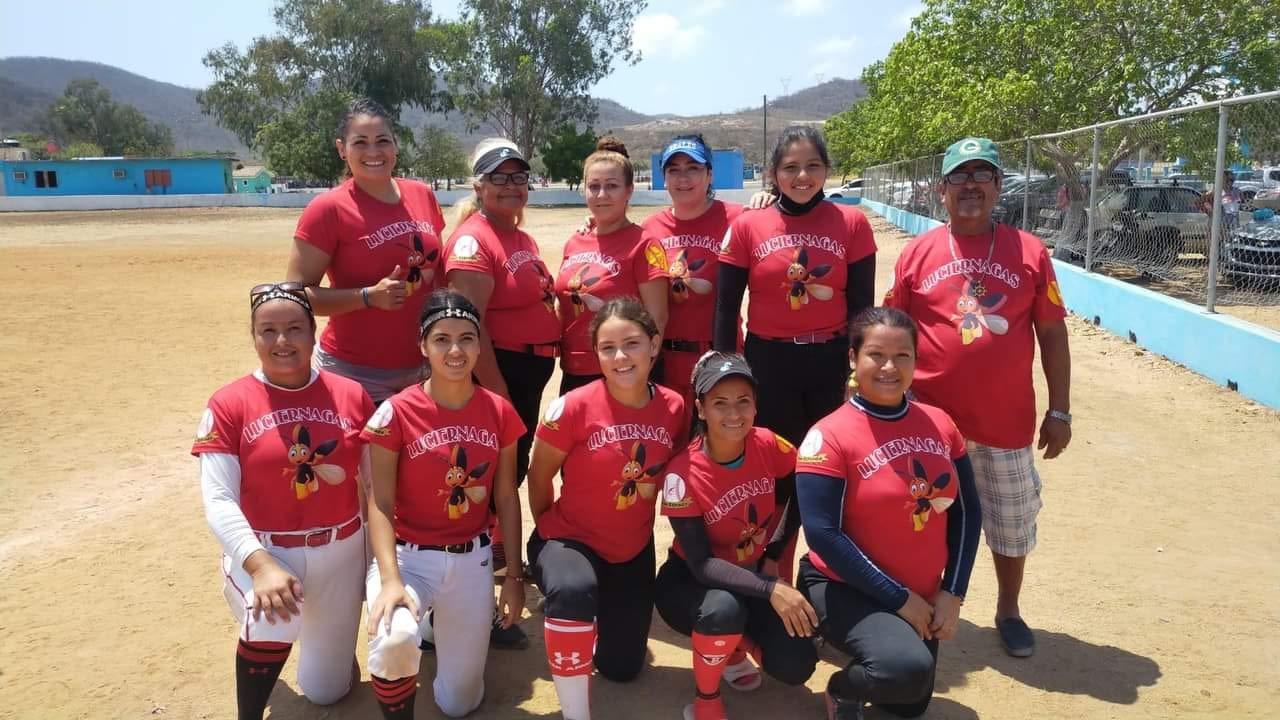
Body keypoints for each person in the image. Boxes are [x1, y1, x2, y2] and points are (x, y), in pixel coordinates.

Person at [884, 136, 1072, 658]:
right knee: (922, 518)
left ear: (997, 187)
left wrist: (1060, 410)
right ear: (942, 189)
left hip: (1004, 423)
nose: (971, 186)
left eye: (982, 175)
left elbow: (1053, 335)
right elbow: (891, 331)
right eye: (960, 177)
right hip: (927, 424)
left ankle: (1008, 609)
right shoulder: (917, 253)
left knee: (1011, 522)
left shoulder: (1030, 251)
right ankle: (917, 606)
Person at [194, 282, 373, 720]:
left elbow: (373, 488)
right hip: (266, 549)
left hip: (340, 550)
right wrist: (260, 565)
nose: (282, 341)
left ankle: (327, 642)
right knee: (274, 616)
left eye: (294, 329)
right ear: (253, 337)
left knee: (328, 692)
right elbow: (217, 498)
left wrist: (379, 562)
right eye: (267, 330)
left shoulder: (351, 395)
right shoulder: (229, 403)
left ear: (313, 334)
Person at [795, 307, 982, 719]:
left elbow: (968, 513)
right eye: (876, 354)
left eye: (903, 356)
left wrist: (953, 592)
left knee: (908, 701)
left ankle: (885, 655)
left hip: (922, 595)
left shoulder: (940, 424)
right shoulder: (827, 435)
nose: (889, 367)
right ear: (852, 358)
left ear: (917, 360)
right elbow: (823, 534)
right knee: (904, 669)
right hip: (843, 586)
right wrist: (900, 600)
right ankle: (841, 689)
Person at [359, 290, 526, 719]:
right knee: (396, 642)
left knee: (459, 703)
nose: (456, 350)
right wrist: (391, 579)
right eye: (442, 339)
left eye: (467, 338)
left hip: (472, 558)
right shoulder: (395, 413)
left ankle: (437, 624)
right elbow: (379, 501)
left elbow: (506, 496)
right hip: (408, 558)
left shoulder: (500, 411)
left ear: (479, 344)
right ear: (423, 346)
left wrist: (513, 577)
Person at [526, 297, 686, 720]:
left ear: (654, 345)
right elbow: (540, 477)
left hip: (631, 548)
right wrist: (550, 542)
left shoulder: (674, 406)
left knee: (622, 668)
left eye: (631, 343)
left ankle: (586, 623)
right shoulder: (572, 407)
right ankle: (576, 711)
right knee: (573, 589)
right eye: (607, 347)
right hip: (570, 539)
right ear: (595, 353)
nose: (620, 357)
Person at [655, 351, 817, 720]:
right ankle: (705, 699)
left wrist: (774, 551)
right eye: (720, 403)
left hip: (751, 575)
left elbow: (799, 491)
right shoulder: (683, 473)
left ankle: (735, 641)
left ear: (756, 406)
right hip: (691, 583)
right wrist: (772, 588)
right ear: (700, 409)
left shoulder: (769, 445)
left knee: (797, 664)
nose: (733, 414)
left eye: (743, 401)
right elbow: (701, 564)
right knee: (722, 610)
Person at [443, 138, 559, 643]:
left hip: (526, 377)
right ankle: (480, 611)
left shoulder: (519, 237)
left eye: (518, 177)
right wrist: (498, 397)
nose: (511, 186)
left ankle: (494, 581)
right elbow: (470, 330)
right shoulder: (475, 240)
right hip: (500, 378)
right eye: (499, 177)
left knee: (500, 485)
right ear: (479, 184)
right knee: (488, 488)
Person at [715, 125, 877, 449]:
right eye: (790, 167)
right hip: (768, 361)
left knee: (830, 454)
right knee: (779, 457)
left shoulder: (852, 223)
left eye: (813, 165)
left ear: (827, 170)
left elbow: (862, 307)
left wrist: (858, 366)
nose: (802, 175)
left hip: (831, 361)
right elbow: (726, 306)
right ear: (774, 174)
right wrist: (723, 366)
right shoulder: (748, 225)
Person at [286, 97, 446, 405]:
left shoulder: (422, 195)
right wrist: (367, 297)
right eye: (360, 142)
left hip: (425, 369)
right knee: (367, 455)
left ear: (395, 146)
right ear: (341, 149)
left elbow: (436, 272)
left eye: (382, 140)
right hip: (355, 374)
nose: (373, 152)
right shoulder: (328, 209)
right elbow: (295, 296)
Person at [555, 138, 670, 394]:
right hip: (574, 372)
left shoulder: (645, 244)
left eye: (612, 186)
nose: (602, 195)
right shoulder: (574, 242)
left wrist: (637, 378)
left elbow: (658, 318)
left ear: (629, 190)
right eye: (593, 186)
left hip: (623, 374)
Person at [643, 135, 745, 402]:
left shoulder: (739, 219)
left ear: (710, 175)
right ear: (664, 178)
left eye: (693, 168)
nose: (683, 178)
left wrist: (768, 199)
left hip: (721, 356)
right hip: (665, 362)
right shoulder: (649, 228)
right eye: (673, 170)